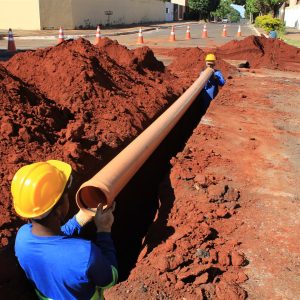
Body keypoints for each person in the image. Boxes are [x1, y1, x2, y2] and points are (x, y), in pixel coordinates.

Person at [12, 160, 118, 300]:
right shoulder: (85, 254)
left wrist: (80, 218)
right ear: (59, 210)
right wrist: (104, 230)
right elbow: (110, 279)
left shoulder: (22, 237)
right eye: (66, 196)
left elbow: (55, 239)